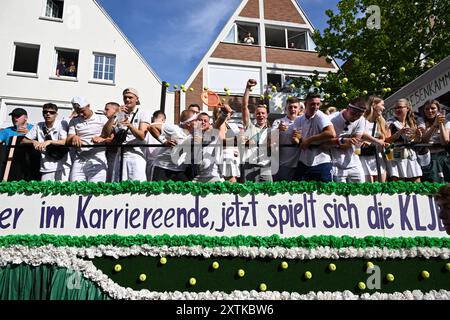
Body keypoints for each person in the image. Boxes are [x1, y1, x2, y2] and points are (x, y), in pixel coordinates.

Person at [103, 88, 151, 181]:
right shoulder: (120, 114)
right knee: (117, 186)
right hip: (120, 155)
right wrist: (115, 115)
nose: (127, 100)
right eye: (125, 97)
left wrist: (130, 125)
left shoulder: (143, 113)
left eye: (130, 97)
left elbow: (142, 136)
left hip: (136, 156)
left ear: (137, 99)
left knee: (136, 187)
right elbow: (106, 133)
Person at [293, 93, 336, 182]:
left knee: (325, 193)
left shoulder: (320, 115)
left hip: (322, 162)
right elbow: (297, 136)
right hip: (304, 161)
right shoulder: (298, 120)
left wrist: (309, 140)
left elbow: (331, 133)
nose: (315, 107)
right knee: (298, 192)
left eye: (318, 104)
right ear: (305, 104)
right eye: (312, 104)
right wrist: (297, 141)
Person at [21, 103, 70, 181]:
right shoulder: (39, 125)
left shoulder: (62, 123)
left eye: (52, 112)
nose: (48, 114)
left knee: (62, 191)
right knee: (46, 192)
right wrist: (33, 141)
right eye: (45, 112)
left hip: (63, 166)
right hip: (45, 166)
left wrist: (50, 141)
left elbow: (65, 141)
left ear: (56, 114)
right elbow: (23, 141)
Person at [67, 96, 110, 182]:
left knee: (96, 190)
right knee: (75, 189)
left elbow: (111, 137)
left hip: (98, 159)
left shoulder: (102, 118)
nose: (81, 114)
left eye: (82, 111)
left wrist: (102, 139)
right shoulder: (74, 121)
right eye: (78, 112)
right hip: (79, 159)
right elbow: (68, 140)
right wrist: (74, 137)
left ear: (88, 106)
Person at [241, 79, 272, 182]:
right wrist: (248, 89)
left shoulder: (272, 131)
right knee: (247, 196)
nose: (260, 115)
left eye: (263, 113)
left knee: (269, 194)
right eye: (258, 113)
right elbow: (244, 106)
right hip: (249, 166)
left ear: (267, 115)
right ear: (254, 115)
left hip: (266, 167)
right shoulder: (250, 126)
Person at [328, 98, 366, 183]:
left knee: (362, 190)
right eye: (353, 114)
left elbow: (356, 140)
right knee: (340, 194)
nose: (355, 117)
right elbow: (324, 143)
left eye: (358, 115)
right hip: (335, 164)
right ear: (347, 108)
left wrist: (337, 141)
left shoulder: (361, 119)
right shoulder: (331, 119)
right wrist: (342, 141)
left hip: (354, 163)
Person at [385, 99, 422, 182]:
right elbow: (387, 140)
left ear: (407, 108)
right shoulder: (390, 122)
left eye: (400, 107)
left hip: (410, 154)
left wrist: (419, 136)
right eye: (395, 108)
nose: (397, 110)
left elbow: (414, 140)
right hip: (396, 153)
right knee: (399, 181)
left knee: (416, 180)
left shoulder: (412, 121)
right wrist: (399, 133)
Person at [417, 100, 450, 182]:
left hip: (443, 156)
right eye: (427, 109)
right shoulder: (421, 120)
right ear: (424, 111)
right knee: (432, 181)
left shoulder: (446, 121)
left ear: (438, 110)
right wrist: (434, 125)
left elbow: (445, 141)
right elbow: (424, 140)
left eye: (433, 108)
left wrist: (441, 124)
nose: (430, 111)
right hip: (428, 157)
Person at [271, 97, 303, 181]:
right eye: (290, 107)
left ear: (299, 109)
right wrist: (278, 129)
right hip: (283, 164)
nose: (292, 109)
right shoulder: (278, 122)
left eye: (295, 107)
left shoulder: (303, 122)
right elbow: (270, 140)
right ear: (286, 109)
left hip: (300, 164)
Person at [360, 96, 387, 182]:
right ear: (374, 105)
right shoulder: (362, 120)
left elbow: (383, 138)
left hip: (377, 157)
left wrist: (379, 142)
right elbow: (361, 134)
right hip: (364, 157)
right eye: (382, 105)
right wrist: (375, 141)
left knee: (382, 185)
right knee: (369, 186)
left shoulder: (381, 121)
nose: (384, 108)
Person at [145, 110, 166, 180]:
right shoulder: (165, 128)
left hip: (149, 159)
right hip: (158, 161)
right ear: (163, 119)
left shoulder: (147, 128)